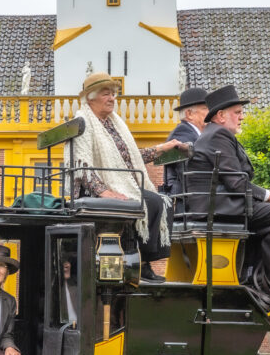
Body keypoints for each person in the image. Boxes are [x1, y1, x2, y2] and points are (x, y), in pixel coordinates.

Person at [66, 72, 188, 282]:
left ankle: (144, 260)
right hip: (92, 189)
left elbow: (130, 158)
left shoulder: (115, 123)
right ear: (90, 98)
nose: (112, 98)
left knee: (164, 201)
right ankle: (140, 262)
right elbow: (81, 165)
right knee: (151, 200)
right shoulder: (82, 122)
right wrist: (104, 191)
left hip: (119, 182)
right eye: (106, 94)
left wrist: (161, 148)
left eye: (113, 94)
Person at [188, 85, 270, 299]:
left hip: (219, 202)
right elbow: (236, 182)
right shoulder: (218, 136)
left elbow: (235, 181)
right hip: (217, 206)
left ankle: (253, 273)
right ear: (221, 116)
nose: (242, 117)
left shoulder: (215, 134)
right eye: (238, 112)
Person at [164, 87, 210, 206]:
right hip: (187, 203)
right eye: (206, 109)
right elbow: (191, 175)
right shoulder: (182, 134)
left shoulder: (194, 133)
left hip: (194, 198)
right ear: (189, 114)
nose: (211, 113)